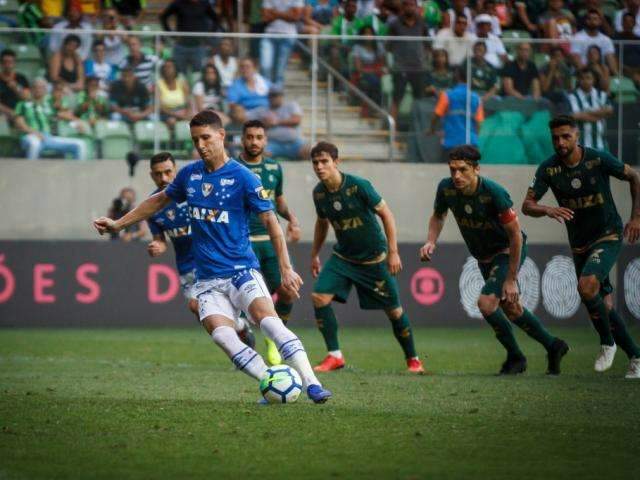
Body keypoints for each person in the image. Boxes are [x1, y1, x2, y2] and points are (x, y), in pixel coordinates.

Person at [93, 110, 332, 403]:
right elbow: (158, 201)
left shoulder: (243, 177)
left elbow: (271, 221)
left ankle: (311, 382)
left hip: (241, 270)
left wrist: (286, 267)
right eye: (195, 139)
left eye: (206, 137)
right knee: (222, 336)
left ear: (221, 135)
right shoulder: (189, 174)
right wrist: (119, 223)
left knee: (267, 320)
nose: (201, 144)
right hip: (207, 279)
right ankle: (269, 380)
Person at [421, 145, 569, 375]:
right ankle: (553, 345)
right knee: (512, 310)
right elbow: (439, 215)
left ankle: (516, 358)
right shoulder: (446, 188)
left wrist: (511, 279)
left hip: (506, 252)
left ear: (476, 169)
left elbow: (515, 235)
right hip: (483, 257)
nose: (456, 176)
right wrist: (431, 241)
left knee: (486, 303)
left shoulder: (494, 193)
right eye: (452, 170)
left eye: (463, 170)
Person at [522, 115, 640, 379]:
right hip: (579, 245)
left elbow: (634, 177)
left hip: (608, 234)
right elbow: (526, 206)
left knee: (586, 286)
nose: (560, 143)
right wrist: (547, 209)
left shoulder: (598, 159)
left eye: (566, 136)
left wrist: (637, 217)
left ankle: (607, 343)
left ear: (577, 136)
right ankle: (636, 355)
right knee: (601, 304)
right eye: (555, 138)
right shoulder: (548, 169)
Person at [309, 141, 425, 374]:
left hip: (374, 260)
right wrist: (314, 254)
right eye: (315, 163)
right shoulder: (319, 193)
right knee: (319, 296)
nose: (320, 167)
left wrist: (393, 252)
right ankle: (335, 356)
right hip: (343, 258)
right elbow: (322, 224)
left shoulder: (359, 186)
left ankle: (413, 360)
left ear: (336, 162)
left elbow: (387, 214)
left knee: (394, 312)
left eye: (324, 162)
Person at [145, 151, 256, 348]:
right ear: (151, 175)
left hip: (217, 259)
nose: (163, 178)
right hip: (187, 266)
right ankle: (239, 329)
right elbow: (160, 239)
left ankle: (242, 340)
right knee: (199, 310)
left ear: (175, 170)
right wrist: (158, 246)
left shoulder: (194, 189)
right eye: (158, 174)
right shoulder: (153, 205)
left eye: (167, 172)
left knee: (203, 305)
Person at [237, 120, 301, 365]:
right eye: (250, 136)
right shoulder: (234, 168)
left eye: (259, 137)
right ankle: (245, 346)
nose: (254, 141)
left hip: (272, 242)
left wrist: (292, 219)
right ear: (243, 139)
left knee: (288, 292)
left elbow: (278, 200)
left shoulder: (275, 167)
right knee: (246, 298)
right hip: (244, 243)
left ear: (265, 140)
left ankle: (273, 340)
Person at [14, 78, 87, 160]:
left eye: (42, 87)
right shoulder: (22, 104)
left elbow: (62, 115)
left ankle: (79, 172)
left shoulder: (48, 104)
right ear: (31, 89)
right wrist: (36, 133)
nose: (38, 90)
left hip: (48, 138)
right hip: (30, 137)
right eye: (36, 87)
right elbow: (20, 124)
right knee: (35, 144)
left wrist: (77, 122)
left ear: (45, 90)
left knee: (80, 144)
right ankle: (30, 170)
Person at [387, 0, 429, 122]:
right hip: (400, 68)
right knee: (397, 99)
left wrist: (424, 59)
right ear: (402, 7)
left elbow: (427, 45)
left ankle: (419, 129)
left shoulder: (422, 24)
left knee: (419, 100)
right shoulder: (394, 24)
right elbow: (388, 45)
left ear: (416, 7)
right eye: (406, 4)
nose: (409, 7)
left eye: (412, 5)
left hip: (418, 67)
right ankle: (392, 131)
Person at [430, 67, 484, 157]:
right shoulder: (476, 98)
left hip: (452, 144)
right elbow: (479, 123)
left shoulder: (447, 95)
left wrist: (431, 129)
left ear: (457, 77)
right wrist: (474, 138)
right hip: (471, 144)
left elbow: (436, 115)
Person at [245, 86, 309, 160]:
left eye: (276, 95)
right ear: (268, 97)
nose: (274, 98)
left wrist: (276, 122)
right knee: (258, 153)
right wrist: (262, 124)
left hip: (294, 142)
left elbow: (296, 120)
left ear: (282, 96)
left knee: (310, 150)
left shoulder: (291, 105)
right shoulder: (262, 110)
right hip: (272, 143)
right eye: (272, 95)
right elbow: (244, 118)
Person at [160, 0, 221, 74]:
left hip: (198, 47)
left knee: (199, 75)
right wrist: (171, 34)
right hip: (181, 46)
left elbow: (216, 19)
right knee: (179, 75)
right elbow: (163, 17)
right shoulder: (178, 3)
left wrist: (208, 35)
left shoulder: (204, 3)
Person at [567, 68, 612, 152]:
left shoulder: (601, 95)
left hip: (600, 143)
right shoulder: (572, 96)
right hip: (580, 145)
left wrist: (586, 112)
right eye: (582, 78)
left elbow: (609, 110)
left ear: (593, 80)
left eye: (588, 78)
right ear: (579, 80)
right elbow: (574, 116)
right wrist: (599, 115)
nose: (585, 81)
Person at [260, 0, 303, 86]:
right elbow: (265, 17)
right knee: (265, 67)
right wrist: (287, 14)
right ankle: (265, 95)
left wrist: (275, 12)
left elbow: (296, 17)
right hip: (270, 35)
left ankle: (276, 95)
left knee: (279, 71)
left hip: (288, 36)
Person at [570, 9, 619, 76]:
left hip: (600, 72)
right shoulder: (577, 37)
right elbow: (575, 58)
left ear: (600, 21)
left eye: (595, 19)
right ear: (586, 21)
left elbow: (610, 58)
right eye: (589, 19)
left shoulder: (606, 39)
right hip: (582, 73)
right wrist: (586, 71)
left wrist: (615, 74)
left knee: (604, 70)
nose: (592, 21)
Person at [227, 58, 270, 123]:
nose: (245, 69)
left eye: (248, 67)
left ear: (254, 68)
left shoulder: (264, 82)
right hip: (247, 112)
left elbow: (276, 93)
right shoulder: (235, 85)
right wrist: (238, 108)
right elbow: (232, 103)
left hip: (266, 110)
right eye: (242, 67)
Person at [158, 59, 192, 132]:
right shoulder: (159, 84)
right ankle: (174, 143)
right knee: (172, 121)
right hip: (167, 113)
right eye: (165, 67)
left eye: (170, 67)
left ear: (175, 69)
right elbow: (160, 107)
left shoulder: (182, 83)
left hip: (182, 111)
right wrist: (176, 114)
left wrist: (187, 113)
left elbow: (189, 102)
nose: (167, 69)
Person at [0, 49, 29, 120]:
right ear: (1, 63)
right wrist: (10, 112)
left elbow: (26, 98)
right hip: (3, 113)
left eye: (10, 62)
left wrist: (16, 88)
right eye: (5, 62)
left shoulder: (21, 78)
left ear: (15, 63)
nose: (8, 65)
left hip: (21, 112)